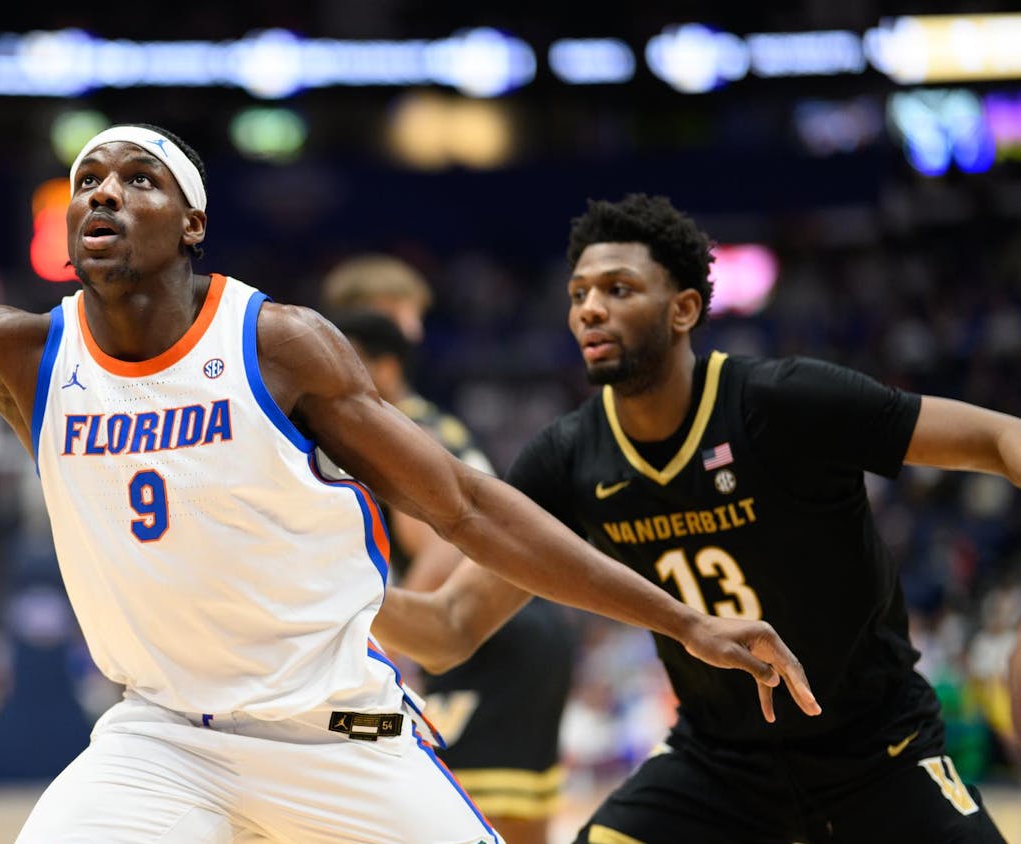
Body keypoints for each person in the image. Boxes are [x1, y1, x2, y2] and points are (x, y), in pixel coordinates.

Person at [0, 20, 819, 842]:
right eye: (87, 180)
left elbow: (466, 509)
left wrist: (682, 620)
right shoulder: (23, 353)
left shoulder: (283, 347)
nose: (103, 194)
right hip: (162, 737)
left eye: (137, 177)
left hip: (341, 738)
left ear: (193, 226)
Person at [372, 194, 1017, 843]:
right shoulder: (566, 458)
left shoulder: (783, 400)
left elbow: (995, 437)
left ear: (683, 309)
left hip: (875, 750)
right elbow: (450, 626)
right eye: (578, 294)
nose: (589, 308)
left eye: (618, 289)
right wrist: (321, 589)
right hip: (719, 768)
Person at [328, 303, 578, 844]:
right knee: (500, 821)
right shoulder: (431, 422)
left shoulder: (394, 433)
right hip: (509, 627)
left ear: (385, 369)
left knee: (469, 816)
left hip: (492, 635)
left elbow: (445, 552)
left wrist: (392, 641)